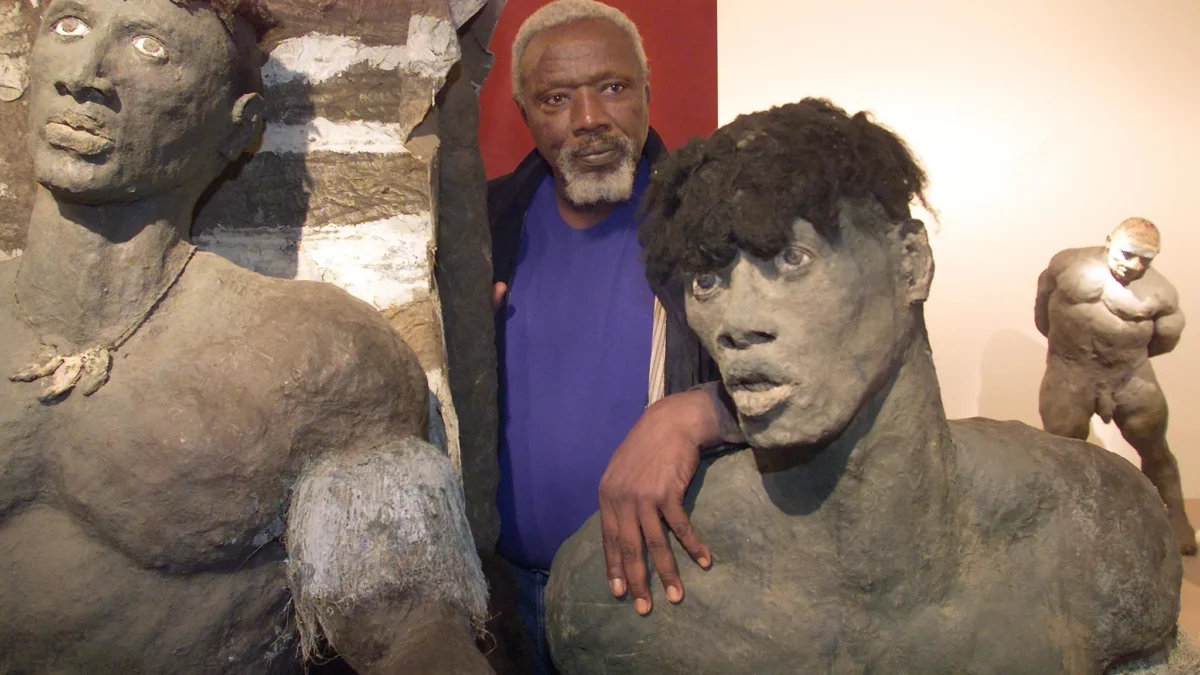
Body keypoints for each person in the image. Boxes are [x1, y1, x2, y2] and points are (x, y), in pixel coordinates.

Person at [545, 99, 1186, 674]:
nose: (737, 322)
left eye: (791, 258)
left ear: (910, 264)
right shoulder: (619, 598)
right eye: (708, 282)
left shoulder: (1099, 531)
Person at [0, 1, 490, 672]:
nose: (84, 75)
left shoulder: (315, 355)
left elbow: (413, 632)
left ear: (241, 129)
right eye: (68, 27)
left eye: (150, 49)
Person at [486, 0, 739, 669]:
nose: (589, 117)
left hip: (660, 595)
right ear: (524, 113)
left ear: (648, 90)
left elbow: (817, 379)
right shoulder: (481, 226)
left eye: (613, 87)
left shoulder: (717, 226)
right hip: (501, 601)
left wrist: (700, 411)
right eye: (556, 98)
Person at [1036, 217, 1196, 555]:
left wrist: (1121, 360)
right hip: (1070, 370)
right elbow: (1043, 313)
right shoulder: (1066, 265)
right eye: (1127, 254)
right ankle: (1065, 518)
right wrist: (1068, 355)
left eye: (1145, 259)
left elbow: (1164, 340)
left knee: (1155, 448)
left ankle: (1175, 515)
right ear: (1109, 241)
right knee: (1062, 447)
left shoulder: (1162, 294)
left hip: (1129, 376)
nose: (1134, 265)